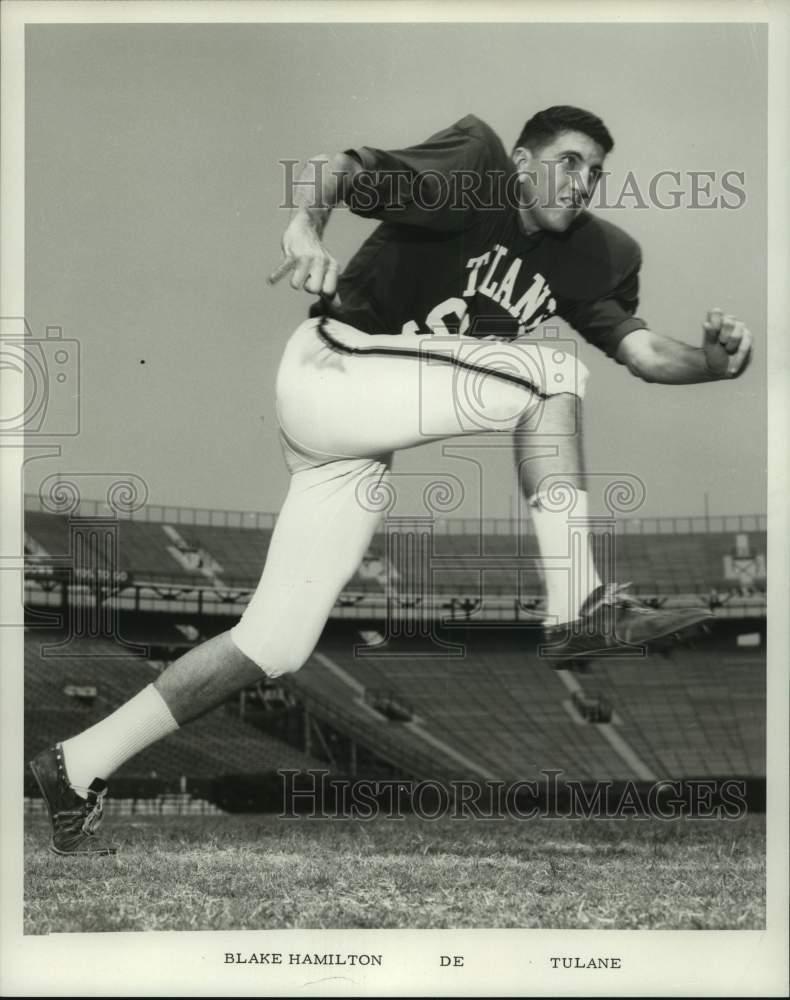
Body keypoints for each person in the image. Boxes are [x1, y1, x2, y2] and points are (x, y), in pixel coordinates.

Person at [30, 107, 753, 855]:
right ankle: (578, 606)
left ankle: (75, 766)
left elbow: (642, 351)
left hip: (355, 437)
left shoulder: (592, 254)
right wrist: (306, 229)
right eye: (569, 161)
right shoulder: (474, 169)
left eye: (595, 171)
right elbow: (340, 169)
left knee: (273, 643)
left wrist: (712, 363)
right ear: (523, 159)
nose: (583, 181)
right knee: (548, 376)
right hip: (332, 365)